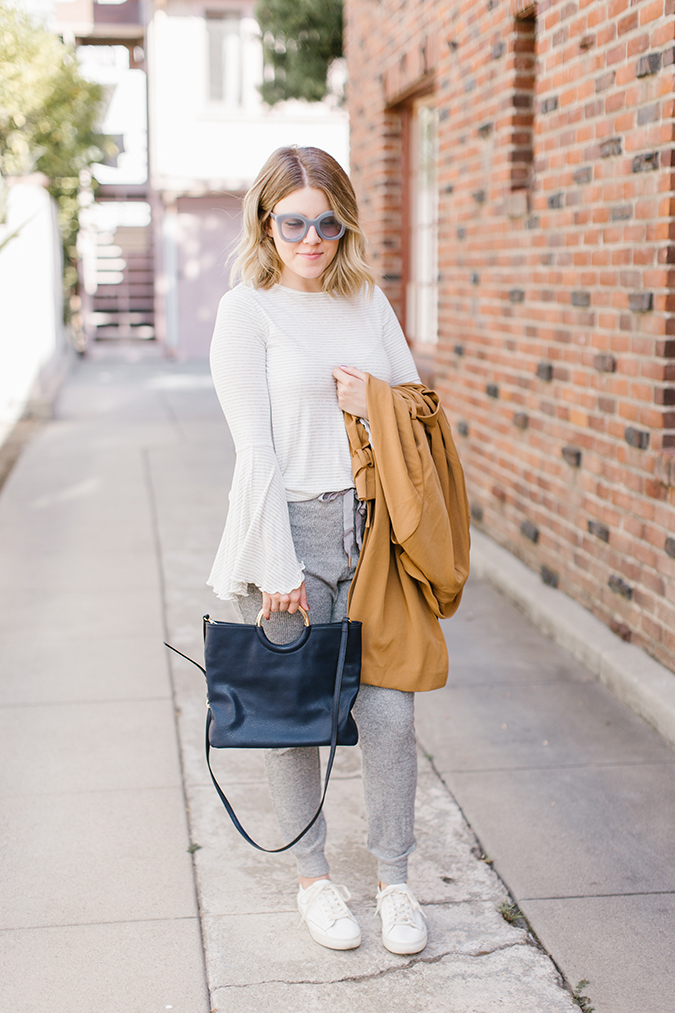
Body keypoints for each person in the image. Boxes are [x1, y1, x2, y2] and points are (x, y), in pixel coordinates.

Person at [207, 145, 428, 955]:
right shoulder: (247, 310)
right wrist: (274, 566)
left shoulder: (366, 299)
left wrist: (367, 399)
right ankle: (312, 876)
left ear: (345, 223)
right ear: (267, 221)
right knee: (295, 719)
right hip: (286, 531)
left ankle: (395, 880)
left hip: (371, 534)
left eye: (328, 222)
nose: (312, 237)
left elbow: (412, 404)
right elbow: (253, 447)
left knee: (391, 716)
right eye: (294, 221)